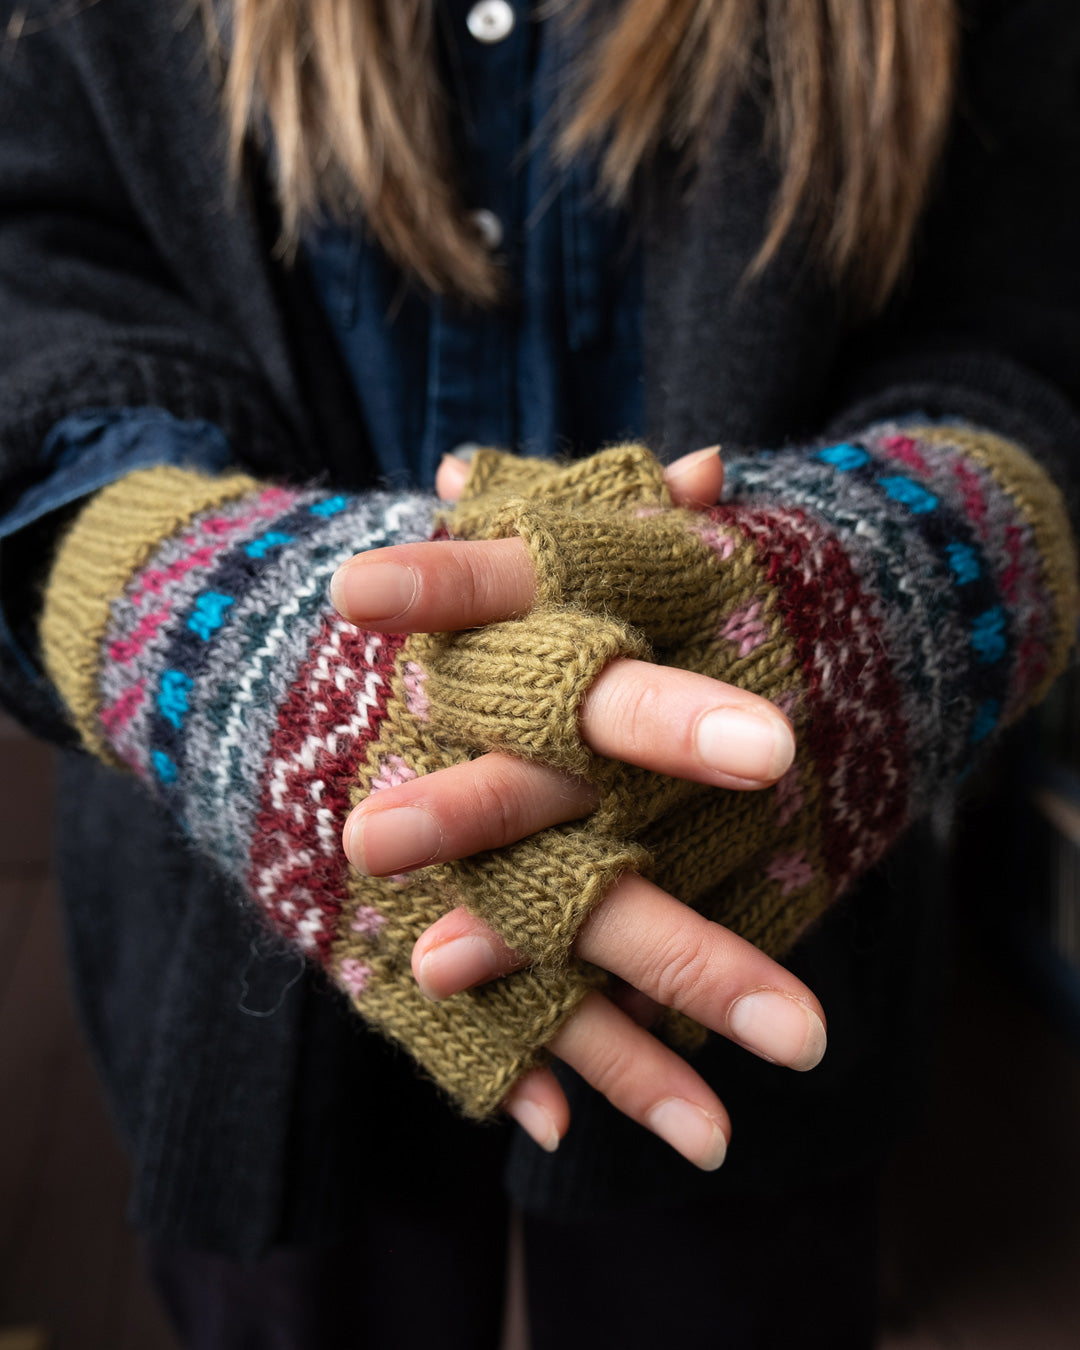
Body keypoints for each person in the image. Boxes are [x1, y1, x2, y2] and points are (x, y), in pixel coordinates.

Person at [0, 0, 1077, 1346]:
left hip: (774, 896)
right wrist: (202, 620)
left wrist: (881, 584)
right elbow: (34, 269)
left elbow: (1028, 313)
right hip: (237, 927)